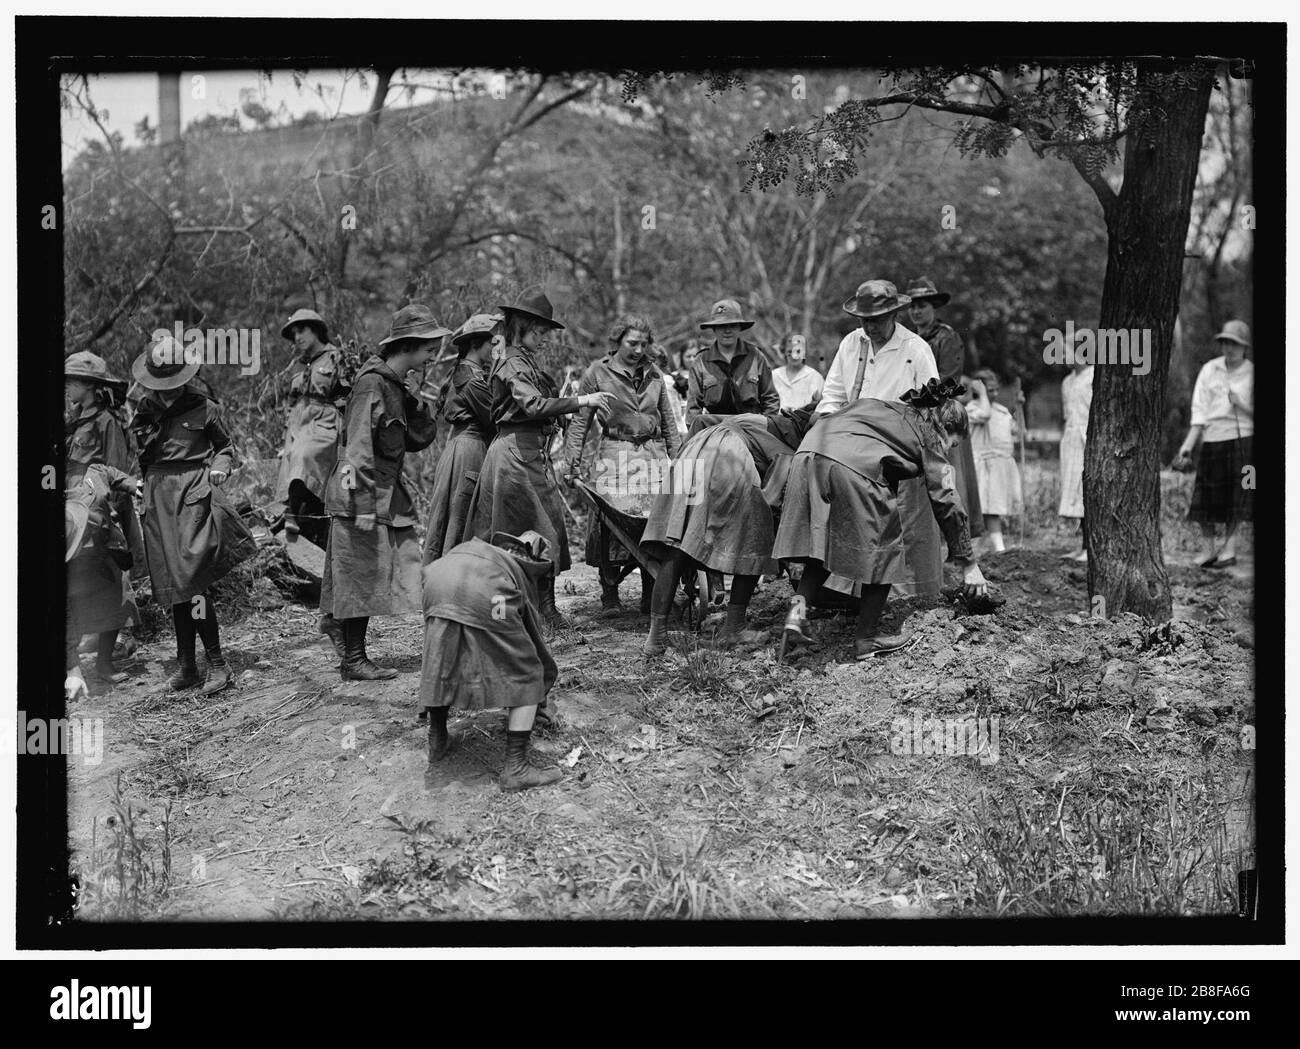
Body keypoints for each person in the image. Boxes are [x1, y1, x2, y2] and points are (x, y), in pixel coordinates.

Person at [774, 380, 987, 661]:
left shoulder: (890, 411)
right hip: (852, 464)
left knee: (822, 548)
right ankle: (867, 638)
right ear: (948, 428)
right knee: (885, 547)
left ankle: (795, 615)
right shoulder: (932, 433)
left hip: (808, 454)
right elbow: (946, 496)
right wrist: (969, 563)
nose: (949, 451)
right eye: (954, 444)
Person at [466, 292, 614, 629]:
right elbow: (530, 407)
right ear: (522, 327)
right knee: (513, 536)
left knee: (544, 532)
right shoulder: (511, 363)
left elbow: (536, 410)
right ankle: (511, 614)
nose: (544, 339)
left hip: (530, 452)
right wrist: (581, 400)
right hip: (515, 456)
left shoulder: (526, 361)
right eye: (540, 332)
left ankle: (544, 610)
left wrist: (556, 416)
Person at [321, 304, 448, 681]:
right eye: (429, 347)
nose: (434, 354)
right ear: (409, 344)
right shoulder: (370, 385)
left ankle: (336, 626)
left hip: (384, 493)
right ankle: (354, 659)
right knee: (361, 574)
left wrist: (415, 399)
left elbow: (417, 439)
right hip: (360, 495)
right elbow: (355, 447)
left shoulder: (394, 386)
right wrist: (359, 502)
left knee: (380, 570)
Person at [130, 336, 258, 695]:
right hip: (157, 499)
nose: (167, 393)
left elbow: (226, 448)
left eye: (173, 385)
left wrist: (220, 467)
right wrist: (140, 483)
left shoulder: (204, 408)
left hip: (192, 494)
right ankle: (186, 665)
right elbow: (142, 453)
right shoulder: (143, 408)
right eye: (161, 386)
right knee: (173, 585)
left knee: (192, 580)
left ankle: (217, 663)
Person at [641, 408, 812, 655]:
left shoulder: (758, 420)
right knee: (759, 539)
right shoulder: (788, 449)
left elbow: (700, 421)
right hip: (726, 458)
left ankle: (655, 637)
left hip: (694, 452)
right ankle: (734, 628)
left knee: (676, 548)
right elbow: (775, 500)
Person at [817, 279, 943, 598]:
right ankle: (849, 594)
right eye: (864, 320)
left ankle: (904, 597)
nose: (869, 327)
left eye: (876, 320)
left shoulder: (915, 349)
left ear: (894, 315)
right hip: (853, 449)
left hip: (896, 450)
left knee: (900, 525)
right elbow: (832, 394)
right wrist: (825, 422)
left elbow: (932, 405)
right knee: (854, 521)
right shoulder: (851, 344)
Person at [419, 530, 563, 792]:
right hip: (487, 590)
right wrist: (539, 690)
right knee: (527, 670)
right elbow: (533, 644)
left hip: (436, 579)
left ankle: (437, 739)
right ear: (534, 563)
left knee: (441, 663)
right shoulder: (516, 573)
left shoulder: (485, 550)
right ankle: (516, 769)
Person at [562, 313, 682, 613]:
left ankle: (650, 593)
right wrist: (571, 462)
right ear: (617, 341)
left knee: (654, 525)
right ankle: (610, 593)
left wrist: (677, 457)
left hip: (652, 456)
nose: (639, 350)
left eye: (644, 343)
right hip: (615, 454)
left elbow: (667, 419)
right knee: (609, 524)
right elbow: (580, 422)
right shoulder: (597, 373)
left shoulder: (654, 373)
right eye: (632, 343)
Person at [65, 350, 143, 667]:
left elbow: (115, 469)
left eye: (72, 380)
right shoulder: (75, 422)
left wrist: (110, 513)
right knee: (84, 574)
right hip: (74, 507)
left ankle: (123, 635)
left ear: (89, 384)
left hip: (97, 509)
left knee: (112, 571)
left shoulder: (106, 422)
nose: (67, 387)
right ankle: (96, 634)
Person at [903, 277, 983, 539]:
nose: (916, 311)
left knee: (948, 477)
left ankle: (956, 538)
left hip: (941, 413)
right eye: (912, 306)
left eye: (922, 305)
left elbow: (949, 380)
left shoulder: (946, 337)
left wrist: (925, 406)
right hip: (911, 413)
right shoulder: (905, 339)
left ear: (933, 307)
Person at [421, 312, 501, 565]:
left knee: (454, 515)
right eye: (492, 344)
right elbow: (494, 419)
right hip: (469, 450)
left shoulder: (468, 372)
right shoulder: (471, 378)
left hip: (462, 448)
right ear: (477, 344)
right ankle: (447, 579)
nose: (495, 349)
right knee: (460, 517)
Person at [1173, 319, 1253, 569]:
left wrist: (1241, 403)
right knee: (1204, 501)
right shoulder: (1210, 369)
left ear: (1244, 347)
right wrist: (1187, 446)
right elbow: (1199, 411)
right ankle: (1208, 549)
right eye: (1225, 343)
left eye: (1235, 344)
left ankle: (1228, 550)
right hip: (1212, 438)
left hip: (1242, 441)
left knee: (1236, 498)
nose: (1229, 348)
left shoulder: (1252, 372)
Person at [64, 463, 140, 695]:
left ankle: (104, 663)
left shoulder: (93, 490)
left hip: (105, 548)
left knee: (118, 598)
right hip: (72, 565)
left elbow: (102, 469)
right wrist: (73, 670)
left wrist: (131, 484)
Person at [686, 299, 780, 432]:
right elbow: (693, 408)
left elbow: (771, 399)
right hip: (713, 429)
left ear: (739, 327)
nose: (727, 331)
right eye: (722, 326)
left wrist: (765, 429)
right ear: (714, 329)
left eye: (732, 325)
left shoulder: (756, 356)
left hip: (752, 427)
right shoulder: (701, 361)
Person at [966, 368, 1023, 554]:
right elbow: (984, 415)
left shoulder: (1001, 410)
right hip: (982, 464)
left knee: (993, 506)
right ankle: (989, 547)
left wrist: (1019, 408)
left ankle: (988, 547)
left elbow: (1020, 433)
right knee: (984, 508)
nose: (995, 394)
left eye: (996, 389)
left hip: (1000, 464)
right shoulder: (973, 408)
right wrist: (980, 393)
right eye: (990, 390)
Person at [1058, 338, 1094, 561]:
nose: (1062, 357)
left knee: (1087, 490)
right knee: (1076, 493)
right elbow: (1067, 415)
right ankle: (1082, 545)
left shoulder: (1094, 375)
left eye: (1065, 352)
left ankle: (1090, 547)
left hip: (1087, 437)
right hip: (1071, 438)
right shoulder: (1066, 382)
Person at [771, 334, 824, 410]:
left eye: (798, 351)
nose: (794, 355)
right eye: (790, 351)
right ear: (784, 352)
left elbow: (821, 406)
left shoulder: (815, 377)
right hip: (775, 420)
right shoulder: (774, 375)